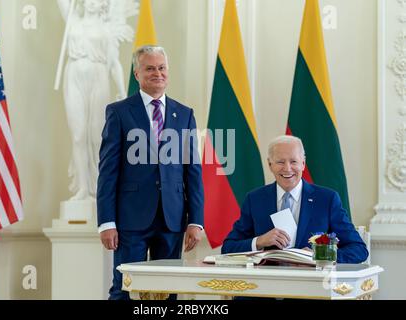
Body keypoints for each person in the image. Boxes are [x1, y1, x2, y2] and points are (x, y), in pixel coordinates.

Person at [97, 45, 204, 300]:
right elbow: (107, 171)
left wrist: (195, 220)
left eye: (162, 67)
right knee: (124, 287)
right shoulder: (119, 112)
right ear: (137, 74)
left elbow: (193, 171)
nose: (158, 73)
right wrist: (106, 222)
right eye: (150, 68)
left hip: (172, 218)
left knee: (167, 289)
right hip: (130, 219)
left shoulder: (185, 114)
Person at [222, 135, 368, 264]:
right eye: (280, 162)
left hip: (311, 288)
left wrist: (320, 255)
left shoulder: (327, 199)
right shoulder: (255, 199)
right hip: (265, 287)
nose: (287, 168)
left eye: (293, 161)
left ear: (303, 164)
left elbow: (358, 249)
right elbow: (228, 248)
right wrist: (259, 241)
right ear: (270, 165)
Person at [57, 0, 135, 200]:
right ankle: (83, 187)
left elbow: (115, 63)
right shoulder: (72, 20)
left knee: (97, 136)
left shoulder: (107, 29)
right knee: (78, 135)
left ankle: (101, 189)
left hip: (99, 75)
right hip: (74, 74)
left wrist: (122, 92)